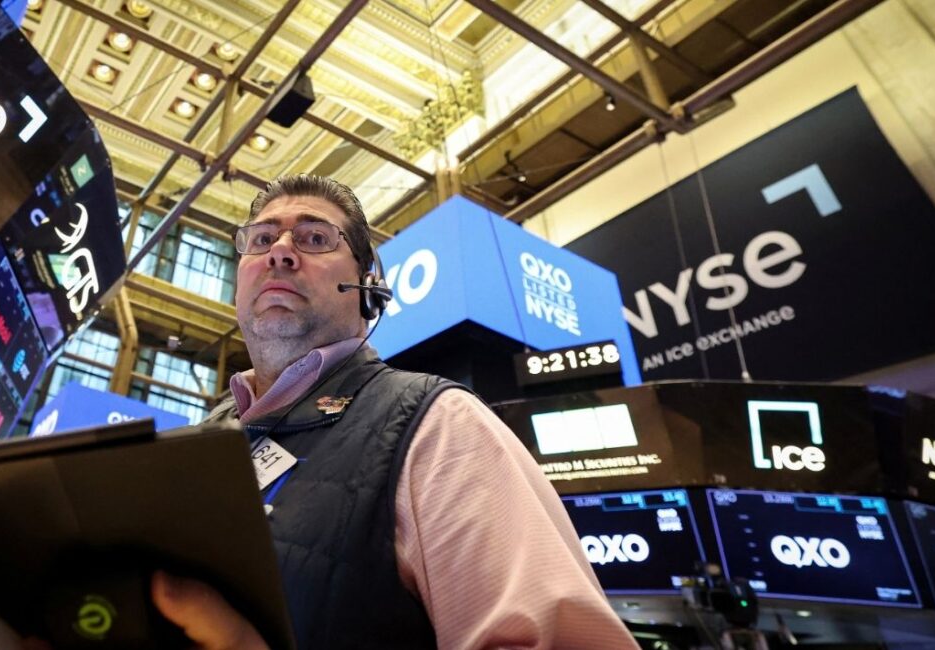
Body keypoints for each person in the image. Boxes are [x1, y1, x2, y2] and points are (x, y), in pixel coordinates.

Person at [151, 174, 638, 649]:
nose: (279, 251)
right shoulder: (200, 440)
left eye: (314, 237)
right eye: (261, 239)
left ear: (367, 287)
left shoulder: (440, 427)